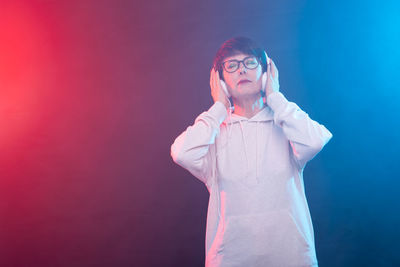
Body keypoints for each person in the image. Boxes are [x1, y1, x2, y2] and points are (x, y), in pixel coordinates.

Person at [170, 37, 332, 267]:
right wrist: (218, 108)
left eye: (250, 62)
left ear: (266, 74)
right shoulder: (214, 132)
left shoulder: (285, 123)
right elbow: (182, 153)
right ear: (220, 80)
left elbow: (315, 140)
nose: (242, 70)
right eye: (232, 65)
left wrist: (275, 97)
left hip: (291, 258)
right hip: (229, 260)